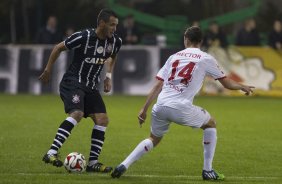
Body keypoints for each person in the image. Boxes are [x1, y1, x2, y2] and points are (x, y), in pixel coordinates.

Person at [111, 26, 254, 180]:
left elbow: (157, 85)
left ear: (186, 39)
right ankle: (208, 171)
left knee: (153, 138)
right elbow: (226, 83)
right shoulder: (206, 58)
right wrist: (242, 86)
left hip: (160, 106)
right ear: (201, 41)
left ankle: (123, 164)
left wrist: (143, 109)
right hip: (180, 107)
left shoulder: (173, 57)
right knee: (211, 124)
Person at [39, 9, 122, 173]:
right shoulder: (83, 36)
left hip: (91, 86)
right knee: (77, 113)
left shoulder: (115, 41)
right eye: (112, 25)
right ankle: (51, 152)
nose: (114, 28)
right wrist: (48, 70)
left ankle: (92, 163)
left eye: (116, 25)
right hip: (73, 82)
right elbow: (58, 48)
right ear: (102, 23)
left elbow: (113, 55)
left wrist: (109, 76)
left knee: (103, 120)